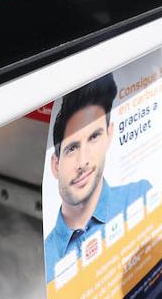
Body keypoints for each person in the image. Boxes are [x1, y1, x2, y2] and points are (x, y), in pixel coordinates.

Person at [44, 73, 151, 282]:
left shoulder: (141, 197)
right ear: (55, 165)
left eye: (94, 137)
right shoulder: (45, 260)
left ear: (109, 135)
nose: (83, 162)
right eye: (72, 148)